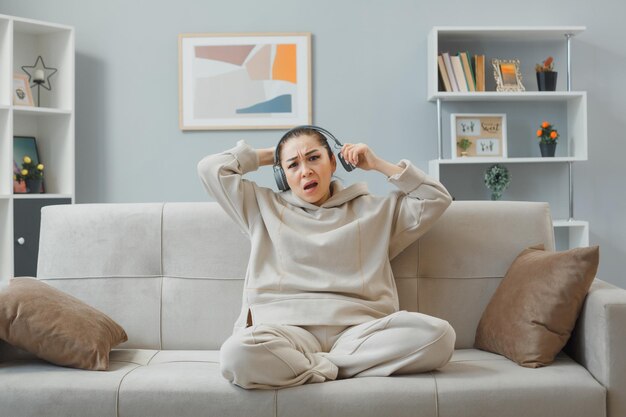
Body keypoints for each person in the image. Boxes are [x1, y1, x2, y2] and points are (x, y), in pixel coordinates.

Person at [197, 125, 455, 390]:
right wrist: (270, 155)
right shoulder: (260, 206)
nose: (305, 170)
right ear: (282, 176)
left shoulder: (376, 209)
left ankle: (310, 367)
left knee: (440, 336)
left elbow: (436, 198)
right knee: (235, 354)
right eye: (293, 165)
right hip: (284, 331)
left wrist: (377, 164)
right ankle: (341, 368)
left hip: (359, 333)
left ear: (333, 161)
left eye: (313, 158)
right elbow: (210, 168)